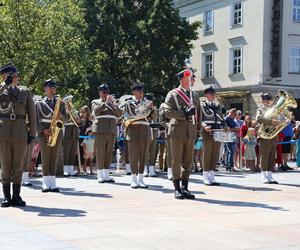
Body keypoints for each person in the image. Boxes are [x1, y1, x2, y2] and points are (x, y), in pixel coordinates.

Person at [0, 63, 36, 207]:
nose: (15, 78)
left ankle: (16, 196)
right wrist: (4, 86)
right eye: (12, 75)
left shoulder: (25, 92)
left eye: (16, 75)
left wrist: (32, 133)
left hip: (21, 132)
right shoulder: (1, 90)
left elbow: (32, 114)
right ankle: (6, 197)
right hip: (3, 133)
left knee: (18, 165)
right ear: (4, 76)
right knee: (5, 165)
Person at [165, 69, 201, 199]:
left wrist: (198, 131)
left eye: (191, 78)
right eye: (189, 78)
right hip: (177, 131)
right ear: (182, 79)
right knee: (176, 160)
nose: (191, 80)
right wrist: (184, 114)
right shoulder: (173, 94)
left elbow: (198, 114)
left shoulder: (195, 95)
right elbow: (168, 112)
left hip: (190, 131)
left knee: (188, 160)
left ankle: (185, 187)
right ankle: (177, 188)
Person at [123, 81, 156, 188]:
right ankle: (133, 179)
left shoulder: (147, 103)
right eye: (138, 90)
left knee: (143, 155)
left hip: (145, 129)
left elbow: (154, 117)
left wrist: (152, 108)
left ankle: (141, 179)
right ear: (134, 92)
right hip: (133, 129)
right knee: (133, 155)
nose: (141, 92)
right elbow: (130, 115)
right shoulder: (128, 103)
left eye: (141, 90)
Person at [36, 78, 66, 192]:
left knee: (54, 156)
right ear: (45, 88)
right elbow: (36, 119)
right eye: (50, 87)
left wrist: (61, 117)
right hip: (44, 132)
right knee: (46, 157)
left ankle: (52, 183)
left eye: (53, 87)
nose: (52, 89)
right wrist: (42, 130)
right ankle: (45, 183)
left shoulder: (60, 102)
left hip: (56, 131)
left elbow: (66, 118)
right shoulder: (39, 103)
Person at [91, 83, 122, 183]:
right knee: (100, 152)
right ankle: (100, 175)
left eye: (107, 92)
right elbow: (96, 111)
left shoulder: (113, 103)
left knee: (109, 152)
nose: (106, 94)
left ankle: (106, 175)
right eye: (104, 92)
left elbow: (120, 114)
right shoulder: (95, 102)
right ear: (100, 93)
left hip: (111, 130)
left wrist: (113, 104)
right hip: (100, 129)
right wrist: (105, 103)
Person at [200, 86, 226, 186]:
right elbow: (200, 119)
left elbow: (221, 118)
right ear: (206, 94)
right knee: (207, 154)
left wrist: (225, 126)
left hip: (218, 131)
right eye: (211, 94)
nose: (213, 96)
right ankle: (206, 177)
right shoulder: (202, 105)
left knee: (215, 154)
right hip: (207, 132)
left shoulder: (217, 105)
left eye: (214, 94)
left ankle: (212, 176)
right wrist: (204, 126)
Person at [256, 93, 278, 184]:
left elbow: (276, 120)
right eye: (266, 99)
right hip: (264, 135)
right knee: (264, 156)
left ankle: (269, 174)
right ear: (263, 100)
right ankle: (263, 176)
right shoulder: (260, 109)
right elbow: (259, 119)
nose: (268, 101)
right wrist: (271, 121)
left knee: (272, 155)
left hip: (273, 135)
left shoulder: (272, 109)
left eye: (269, 99)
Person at [63, 97, 80, 176]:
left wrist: (77, 118)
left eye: (70, 102)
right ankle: (66, 169)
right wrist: (68, 111)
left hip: (74, 131)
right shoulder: (64, 111)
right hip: (67, 130)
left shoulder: (75, 111)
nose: (69, 103)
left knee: (73, 151)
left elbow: (79, 121)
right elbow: (65, 120)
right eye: (67, 102)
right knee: (67, 151)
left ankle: (71, 169)